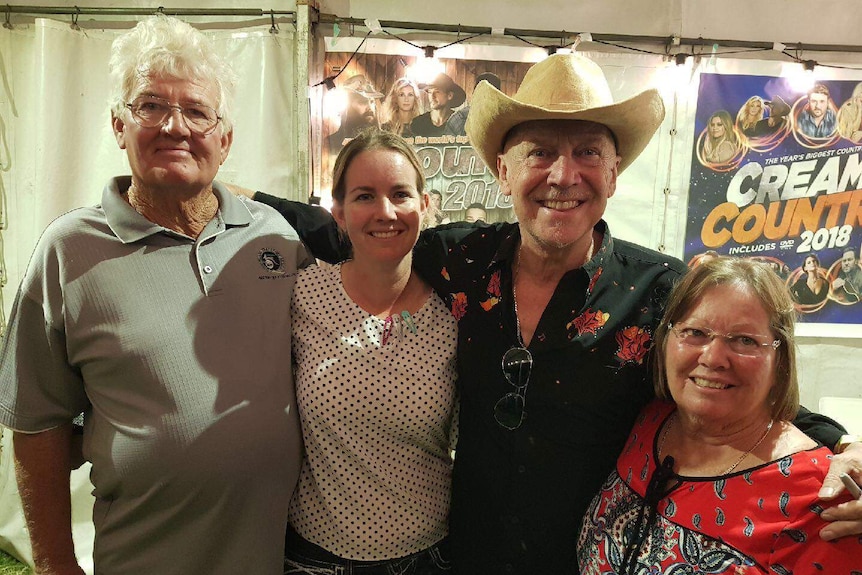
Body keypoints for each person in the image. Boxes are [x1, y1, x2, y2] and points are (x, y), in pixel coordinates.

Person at [246, 53, 862, 573]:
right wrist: (228, 198)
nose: (563, 175)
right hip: (462, 557)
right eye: (539, 152)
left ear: (614, 174)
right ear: (503, 170)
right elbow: (345, 232)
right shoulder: (456, 256)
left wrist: (844, 443)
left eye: (588, 152)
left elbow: (735, 377)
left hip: (585, 559)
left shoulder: (660, 288)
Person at [0, 16, 310, 575]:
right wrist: (53, 564)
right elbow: (36, 424)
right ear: (119, 126)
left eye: (196, 111)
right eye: (150, 106)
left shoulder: (276, 239)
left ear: (225, 138)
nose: (175, 126)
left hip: (277, 558)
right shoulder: (68, 252)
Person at [578, 257, 861, 574]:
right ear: (665, 340)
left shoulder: (822, 498)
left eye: (745, 340)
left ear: (779, 361)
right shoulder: (650, 419)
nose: (713, 358)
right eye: (695, 332)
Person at [285, 129, 457, 574]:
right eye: (364, 196)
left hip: (427, 557)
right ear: (338, 212)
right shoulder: (302, 294)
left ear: (425, 205)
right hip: (314, 556)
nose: (385, 212)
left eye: (400, 194)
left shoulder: (456, 313)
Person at [327, 75, 383, 154]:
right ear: (349, 107)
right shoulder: (331, 143)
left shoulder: (384, 141)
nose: (369, 107)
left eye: (371, 101)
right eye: (362, 102)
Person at [445, 72, 501, 137]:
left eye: (491, 95)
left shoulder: (505, 121)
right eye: (482, 94)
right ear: (474, 94)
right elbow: (444, 146)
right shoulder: (459, 119)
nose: (485, 99)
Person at [410, 73, 466, 137]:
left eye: (437, 92)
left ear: (450, 95)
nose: (431, 96)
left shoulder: (459, 123)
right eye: (429, 92)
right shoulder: (418, 123)